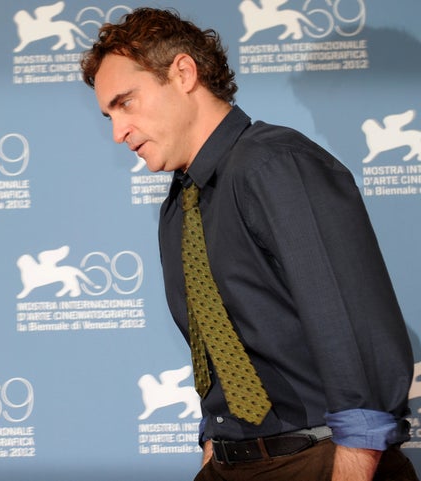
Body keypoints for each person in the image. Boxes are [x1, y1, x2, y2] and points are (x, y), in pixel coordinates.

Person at [81, 7, 418, 481]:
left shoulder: (274, 165)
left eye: (126, 102)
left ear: (183, 73)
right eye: (108, 114)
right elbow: (221, 358)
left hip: (321, 462)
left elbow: (352, 333)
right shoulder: (181, 204)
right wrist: (213, 451)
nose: (118, 133)